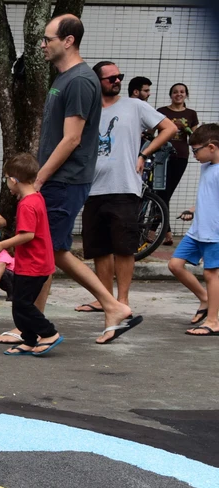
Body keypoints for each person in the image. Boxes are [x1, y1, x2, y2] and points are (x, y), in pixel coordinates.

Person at [28, 14, 140, 345]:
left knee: (53, 249)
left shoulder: (78, 81)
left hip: (64, 180)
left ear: (68, 41)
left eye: (47, 39)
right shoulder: (64, 78)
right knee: (47, 250)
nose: (43, 45)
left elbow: (72, 139)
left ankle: (112, 306)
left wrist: (39, 178)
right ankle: (33, 324)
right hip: (60, 179)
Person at [74, 61, 177, 313]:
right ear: (97, 81)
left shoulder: (135, 106)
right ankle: (104, 299)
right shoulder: (88, 110)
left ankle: (123, 300)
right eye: (110, 78)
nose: (116, 81)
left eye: (118, 76)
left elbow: (170, 128)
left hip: (125, 187)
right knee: (99, 248)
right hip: (93, 188)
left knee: (123, 247)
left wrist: (145, 153)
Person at [0, 153, 62, 356]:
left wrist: (1, 245)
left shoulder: (26, 205)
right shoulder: (36, 198)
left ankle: (48, 333)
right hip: (38, 263)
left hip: (33, 265)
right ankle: (29, 340)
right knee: (22, 305)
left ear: (13, 180)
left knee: (22, 304)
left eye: (7, 179)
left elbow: (27, 235)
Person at [168, 123, 219, 337]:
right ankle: (205, 299)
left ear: (212, 147)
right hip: (197, 230)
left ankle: (214, 321)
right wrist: (193, 209)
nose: (194, 155)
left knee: (211, 274)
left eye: (196, 150)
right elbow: (209, 197)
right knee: (175, 265)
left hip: (214, 233)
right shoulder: (206, 166)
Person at [157, 83, 200, 243]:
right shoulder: (162, 111)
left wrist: (186, 128)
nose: (178, 94)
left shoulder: (191, 114)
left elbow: (196, 138)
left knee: (165, 194)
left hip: (180, 156)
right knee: (160, 193)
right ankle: (166, 234)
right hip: (161, 156)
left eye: (182, 92)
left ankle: (157, 232)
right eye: (175, 92)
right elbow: (151, 130)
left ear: (186, 95)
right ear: (171, 95)